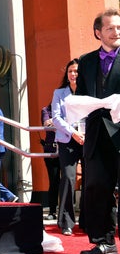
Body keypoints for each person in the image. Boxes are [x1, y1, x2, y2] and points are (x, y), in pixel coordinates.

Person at [75, 8, 120, 254]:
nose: (116, 32)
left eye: (119, 27)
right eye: (110, 28)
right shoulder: (86, 61)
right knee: (97, 188)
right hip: (96, 132)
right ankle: (104, 241)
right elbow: (81, 95)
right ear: (98, 32)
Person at [51, 59, 84, 236]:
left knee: (92, 179)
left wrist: (84, 134)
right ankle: (66, 222)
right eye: (71, 71)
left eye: (77, 71)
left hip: (88, 139)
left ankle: (87, 220)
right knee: (69, 179)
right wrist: (73, 133)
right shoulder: (59, 93)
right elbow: (55, 117)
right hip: (67, 139)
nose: (73, 74)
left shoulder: (88, 91)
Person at [40, 104, 60, 220]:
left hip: (65, 148)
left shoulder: (65, 108)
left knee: (67, 181)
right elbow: (46, 123)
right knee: (54, 181)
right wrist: (60, 121)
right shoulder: (46, 109)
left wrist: (56, 122)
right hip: (51, 149)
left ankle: (64, 211)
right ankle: (52, 211)